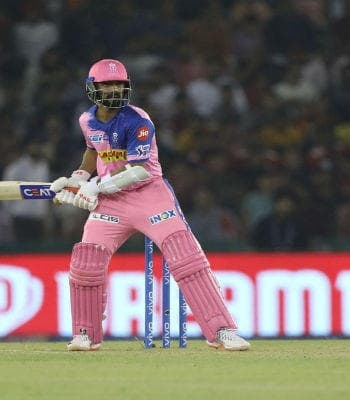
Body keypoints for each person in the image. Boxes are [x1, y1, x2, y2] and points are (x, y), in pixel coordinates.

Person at [50, 59, 250, 351]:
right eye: (107, 84)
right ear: (93, 88)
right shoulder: (86, 120)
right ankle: (85, 334)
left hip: (149, 195)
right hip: (111, 203)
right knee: (86, 261)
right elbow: (93, 150)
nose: (114, 90)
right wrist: (78, 178)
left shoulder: (138, 120)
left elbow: (138, 170)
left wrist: (95, 186)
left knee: (186, 258)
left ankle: (221, 330)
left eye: (119, 84)